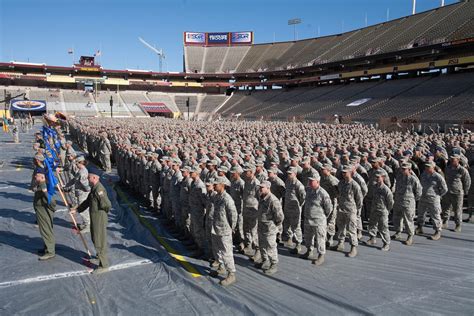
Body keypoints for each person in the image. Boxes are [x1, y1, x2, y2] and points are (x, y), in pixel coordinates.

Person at [71, 173, 112, 273]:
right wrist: (77, 210)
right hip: (95, 217)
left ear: (94, 177)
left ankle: (104, 265)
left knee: (99, 241)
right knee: (95, 238)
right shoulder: (94, 188)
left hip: (99, 218)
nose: (87, 180)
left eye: (89, 178)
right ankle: (99, 256)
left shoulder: (99, 189)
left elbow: (107, 205)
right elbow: (88, 201)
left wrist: (101, 213)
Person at [210, 177, 238, 286]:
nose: (214, 186)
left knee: (226, 252)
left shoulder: (227, 199)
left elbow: (233, 215)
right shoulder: (217, 197)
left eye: (216, 184)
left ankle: (231, 274)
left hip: (225, 230)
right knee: (217, 250)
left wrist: (232, 227)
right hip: (216, 228)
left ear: (222, 185)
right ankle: (221, 267)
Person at [301, 174, 333, 266]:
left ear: (317, 182)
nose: (310, 182)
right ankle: (309, 251)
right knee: (308, 237)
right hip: (308, 219)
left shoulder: (323, 193)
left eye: (312, 181)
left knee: (320, 238)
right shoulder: (308, 190)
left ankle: (321, 256)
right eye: (309, 180)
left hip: (319, 221)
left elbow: (328, 208)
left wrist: (322, 217)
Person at [333, 166, 363, 257]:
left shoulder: (354, 185)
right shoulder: (341, 183)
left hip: (350, 210)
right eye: (342, 172)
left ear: (350, 173)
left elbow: (359, 199)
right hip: (341, 209)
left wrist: (355, 209)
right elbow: (338, 194)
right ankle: (340, 244)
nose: (343, 174)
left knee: (352, 229)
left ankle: (353, 247)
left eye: (345, 172)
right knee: (341, 227)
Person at [256, 181, 284, 275]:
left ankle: (274, 264)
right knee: (262, 245)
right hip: (261, 226)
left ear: (268, 188)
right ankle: (265, 261)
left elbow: (279, 216)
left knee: (270, 246)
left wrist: (274, 225)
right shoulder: (262, 197)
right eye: (260, 187)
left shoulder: (273, 200)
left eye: (262, 188)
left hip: (269, 228)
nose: (260, 189)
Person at [392, 162, 422, 246]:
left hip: (408, 203)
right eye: (402, 169)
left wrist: (412, 199)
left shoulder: (413, 179)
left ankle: (410, 236)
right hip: (398, 201)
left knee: (408, 220)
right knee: (397, 218)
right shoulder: (399, 177)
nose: (402, 170)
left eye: (404, 169)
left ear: (409, 170)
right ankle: (398, 232)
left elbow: (419, 192)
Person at [417, 161, 448, 240]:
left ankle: (437, 231)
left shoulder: (438, 177)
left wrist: (437, 195)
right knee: (421, 213)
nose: (427, 168)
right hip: (423, 197)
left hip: (433, 199)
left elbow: (444, 189)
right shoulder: (423, 174)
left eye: (429, 167)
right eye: (426, 167)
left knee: (435, 215)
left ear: (433, 167)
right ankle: (420, 227)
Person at [366, 169, 394, 251]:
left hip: (382, 210)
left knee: (383, 227)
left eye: (379, 177)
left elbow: (390, 202)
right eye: (376, 177)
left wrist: (387, 210)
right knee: (372, 224)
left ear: (383, 177)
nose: (377, 178)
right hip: (374, 209)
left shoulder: (386, 189)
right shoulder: (374, 187)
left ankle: (386, 243)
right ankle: (372, 238)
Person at [442, 154, 471, 232]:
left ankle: (458, 225)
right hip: (448, 191)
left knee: (457, 209)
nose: (451, 161)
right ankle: (445, 221)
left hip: (457, 192)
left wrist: (465, 191)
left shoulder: (462, 170)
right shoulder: (447, 168)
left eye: (453, 160)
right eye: (451, 160)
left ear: (458, 160)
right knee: (446, 208)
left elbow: (467, 181)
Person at [33, 171, 57, 260]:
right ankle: (47, 247)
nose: (35, 176)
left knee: (46, 231)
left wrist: (45, 192)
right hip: (41, 211)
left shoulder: (44, 186)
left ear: (42, 177)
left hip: (44, 212)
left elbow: (52, 202)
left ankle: (50, 251)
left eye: (37, 175)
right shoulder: (41, 184)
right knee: (45, 231)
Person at [63, 156, 91, 232]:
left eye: (77, 163)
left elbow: (84, 184)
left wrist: (89, 190)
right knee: (82, 208)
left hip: (82, 193)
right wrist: (66, 186)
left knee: (83, 209)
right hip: (79, 192)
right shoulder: (80, 171)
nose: (75, 165)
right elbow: (74, 180)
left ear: (80, 163)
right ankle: (85, 223)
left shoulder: (83, 172)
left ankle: (87, 225)